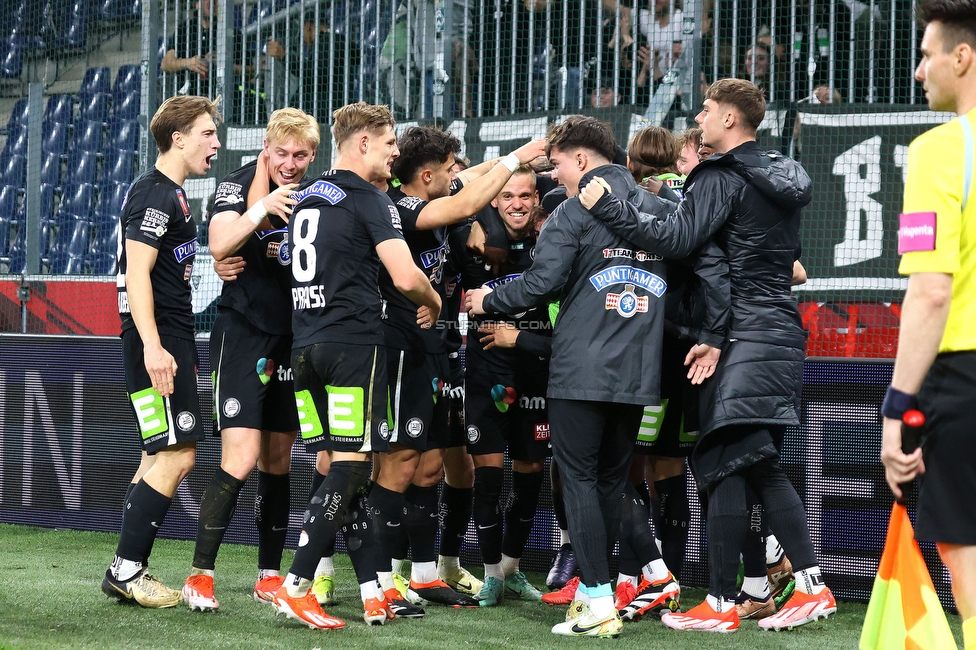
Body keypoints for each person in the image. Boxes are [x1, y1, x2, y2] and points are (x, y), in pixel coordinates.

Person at [579, 78, 837, 632]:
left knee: (745, 462)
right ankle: (730, 601)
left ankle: (804, 588)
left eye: (706, 109)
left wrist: (610, 209)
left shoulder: (719, 177)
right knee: (732, 463)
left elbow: (675, 239)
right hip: (776, 331)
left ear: (729, 121)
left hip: (744, 335)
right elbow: (787, 259)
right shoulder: (781, 175)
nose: (698, 117)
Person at [465, 115, 671, 638]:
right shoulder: (658, 208)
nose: (554, 177)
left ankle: (598, 600)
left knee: (578, 482)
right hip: (638, 372)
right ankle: (593, 591)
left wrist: (490, 298)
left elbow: (541, 284)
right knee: (610, 483)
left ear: (581, 159)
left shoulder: (572, 213)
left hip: (579, 371)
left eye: (556, 164)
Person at [270, 102, 441, 630]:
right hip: (352, 349)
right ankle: (296, 583)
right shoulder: (371, 198)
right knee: (350, 467)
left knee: (343, 466)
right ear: (362, 142)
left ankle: (372, 588)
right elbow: (405, 275)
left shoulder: (309, 195)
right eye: (389, 141)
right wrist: (433, 302)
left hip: (305, 350)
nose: (396, 152)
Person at [369, 127, 546, 608]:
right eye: (449, 170)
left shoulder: (428, 196)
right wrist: (517, 156)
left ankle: (427, 573)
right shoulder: (404, 210)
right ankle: (378, 577)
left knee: (430, 466)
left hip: (435, 345)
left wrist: (494, 169)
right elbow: (466, 203)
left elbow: (466, 180)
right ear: (427, 175)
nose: (457, 176)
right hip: (397, 346)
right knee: (393, 464)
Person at [180, 108, 318, 612]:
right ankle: (200, 576)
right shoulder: (234, 186)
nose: (289, 163)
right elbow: (218, 242)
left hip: (293, 339)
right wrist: (260, 211)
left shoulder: (317, 195)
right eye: (280, 153)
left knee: (277, 460)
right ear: (265, 148)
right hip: (242, 335)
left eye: (300, 155)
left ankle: (268, 575)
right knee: (238, 459)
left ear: (312, 155)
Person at [101, 95, 221, 608]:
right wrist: (154, 346)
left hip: (151, 340)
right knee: (179, 453)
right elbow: (136, 273)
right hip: (158, 342)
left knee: (155, 453)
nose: (215, 143)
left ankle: (127, 568)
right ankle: (128, 570)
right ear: (179, 138)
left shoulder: (166, 193)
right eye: (208, 133)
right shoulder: (156, 196)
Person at [881, 2, 976, 649]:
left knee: (965, 548)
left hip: (964, 374)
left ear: (962, 58)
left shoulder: (942, 150)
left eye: (926, 53)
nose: (919, 70)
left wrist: (896, 405)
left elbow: (931, 293)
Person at [448, 167, 554, 608]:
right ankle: (490, 576)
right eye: (507, 195)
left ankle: (510, 570)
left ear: (536, 200)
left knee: (530, 476)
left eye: (525, 196)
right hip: (486, 378)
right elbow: (437, 201)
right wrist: (466, 220)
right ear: (493, 199)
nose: (516, 203)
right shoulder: (471, 239)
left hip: (536, 375)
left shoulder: (553, 242)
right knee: (487, 481)